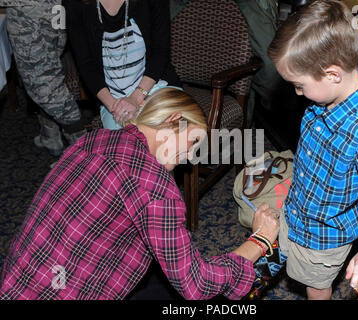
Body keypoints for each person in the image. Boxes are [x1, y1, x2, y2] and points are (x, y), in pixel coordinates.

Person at [0, 88, 280, 300]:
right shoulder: (156, 187)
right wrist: (260, 240)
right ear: (173, 120)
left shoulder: (94, 137)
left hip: (19, 279)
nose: (191, 156)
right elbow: (196, 283)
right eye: (194, 141)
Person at [260, 0, 358, 300]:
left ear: (332, 74)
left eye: (299, 85)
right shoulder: (324, 98)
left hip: (325, 237)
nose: (297, 93)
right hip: (297, 210)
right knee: (279, 256)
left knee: (316, 285)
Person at [63, 0, 182, 130]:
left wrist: (136, 99)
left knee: (170, 136)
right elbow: (86, 65)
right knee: (127, 146)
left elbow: (160, 52)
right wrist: (115, 107)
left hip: (156, 86)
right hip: (112, 100)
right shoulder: (74, 4)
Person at [5, 0, 87, 157]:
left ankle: (84, 153)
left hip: (28, 11)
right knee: (51, 73)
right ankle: (50, 135)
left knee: (44, 83)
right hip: (52, 8)